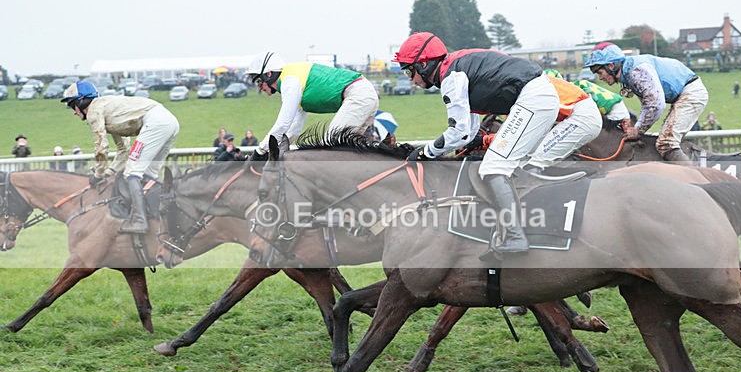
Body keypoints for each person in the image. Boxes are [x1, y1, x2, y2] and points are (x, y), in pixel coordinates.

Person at [394, 32, 600, 262]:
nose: (411, 79)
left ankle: (515, 236)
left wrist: (424, 153)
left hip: (533, 98)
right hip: (537, 95)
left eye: (409, 71)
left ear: (423, 64)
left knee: (493, 167)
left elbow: (459, 132)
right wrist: (469, 141)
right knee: (514, 164)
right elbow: (467, 132)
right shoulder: (455, 66)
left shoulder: (452, 76)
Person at [61, 80, 180, 234]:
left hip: (156, 122)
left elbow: (101, 147)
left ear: (81, 101)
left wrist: (98, 173)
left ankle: (139, 221)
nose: (73, 112)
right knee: (148, 175)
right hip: (169, 121)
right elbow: (123, 150)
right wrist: (109, 172)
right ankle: (157, 214)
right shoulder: (108, 109)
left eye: (72, 105)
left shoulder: (93, 111)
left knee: (132, 172)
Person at [584, 42, 708, 162]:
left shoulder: (635, 72)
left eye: (600, 73)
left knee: (666, 143)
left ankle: (694, 178)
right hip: (686, 91)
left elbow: (655, 104)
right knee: (665, 140)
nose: (600, 78)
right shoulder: (629, 71)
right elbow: (648, 104)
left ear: (611, 66)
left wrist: (638, 130)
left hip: (691, 93)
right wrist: (638, 128)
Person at [245, 51, 379, 157]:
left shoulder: (289, 82)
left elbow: (283, 124)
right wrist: (273, 150)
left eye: (258, 82)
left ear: (269, 74)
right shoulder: (294, 83)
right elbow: (293, 130)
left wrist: (260, 151)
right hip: (363, 93)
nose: (260, 88)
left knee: (329, 144)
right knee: (348, 152)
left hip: (358, 94)